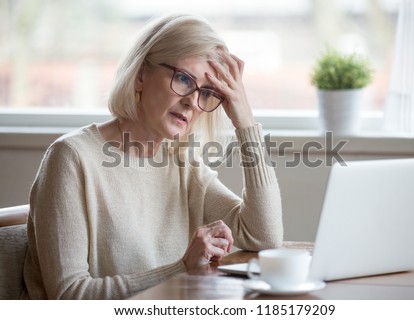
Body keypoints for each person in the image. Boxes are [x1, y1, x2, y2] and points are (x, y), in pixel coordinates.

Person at [22, 13, 283, 299]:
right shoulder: (71, 158)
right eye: (183, 79)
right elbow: (69, 296)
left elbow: (263, 235)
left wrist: (245, 121)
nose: (192, 102)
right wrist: (180, 269)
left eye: (206, 92)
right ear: (140, 76)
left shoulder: (182, 163)